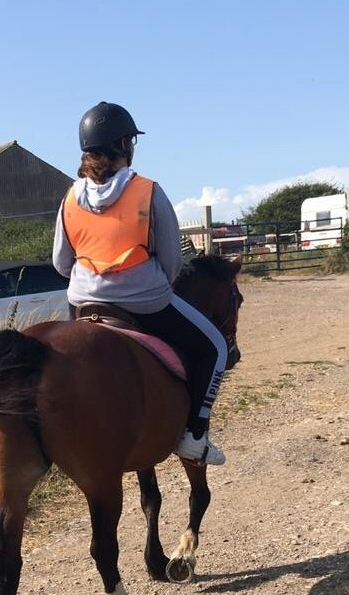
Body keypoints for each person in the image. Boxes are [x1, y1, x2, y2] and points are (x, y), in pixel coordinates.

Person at [53, 102, 227, 465]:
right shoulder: (148, 191)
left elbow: (60, 262)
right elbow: (172, 261)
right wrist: (146, 282)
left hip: (84, 303)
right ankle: (195, 436)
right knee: (214, 348)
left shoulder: (69, 197)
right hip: (144, 303)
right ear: (124, 145)